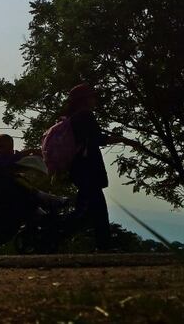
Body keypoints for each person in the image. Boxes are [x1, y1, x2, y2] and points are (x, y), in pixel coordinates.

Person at [65, 83, 116, 250]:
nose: (94, 99)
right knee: (96, 209)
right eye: (92, 96)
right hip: (89, 169)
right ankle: (104, 246)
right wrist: (122, 140)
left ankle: (103, 245)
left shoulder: (71, 118)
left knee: (87, 209)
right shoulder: (85, 115)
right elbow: (98, 138)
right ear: (84, 99)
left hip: (78, 169)